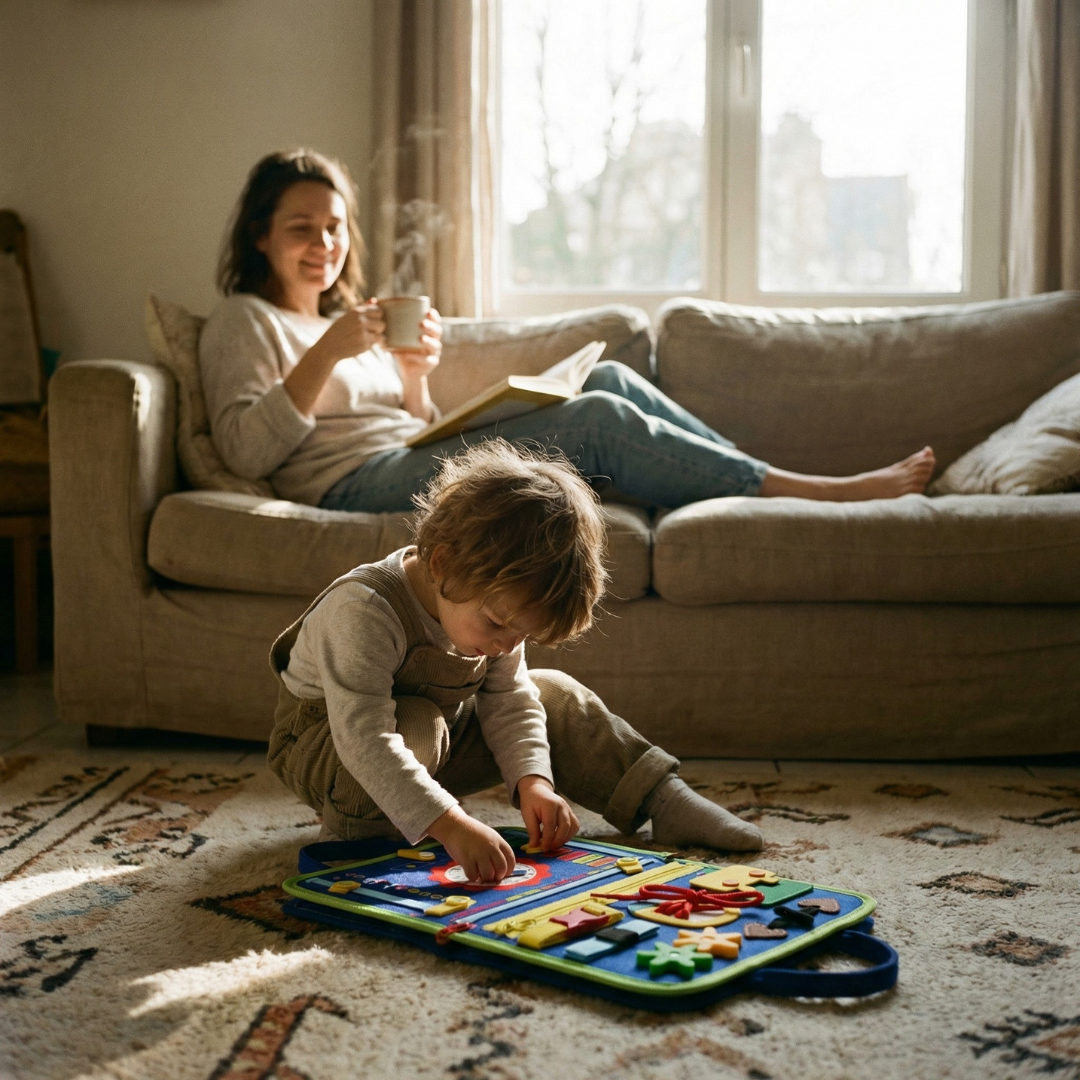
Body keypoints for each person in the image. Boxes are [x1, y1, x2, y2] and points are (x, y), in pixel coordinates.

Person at [199, 148, 936, 514]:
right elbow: (244, 448)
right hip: (347, 489)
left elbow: (408, 428)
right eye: (302, 228)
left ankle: (745, 477)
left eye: (333, 228)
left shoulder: (341, 322)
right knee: (596, 423)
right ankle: (811, 494)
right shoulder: (245, 320)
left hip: (400, 460)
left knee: (609, 379)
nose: (324, 244)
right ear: (260, 236)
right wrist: (328, 351)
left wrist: (416, 377)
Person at [268, 439, 762, 882]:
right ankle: (362, 836)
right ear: (442, 564)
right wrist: (452, 824)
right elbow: (365, 737)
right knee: (414, 721)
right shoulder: (365, 609)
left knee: (553, 693)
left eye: (522, 633)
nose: (507, 644)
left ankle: (662, 799)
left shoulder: (492, 612)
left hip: (435, 739)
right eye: (500, 624)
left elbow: (507, 698)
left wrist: (534, 781)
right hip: (330, 750)